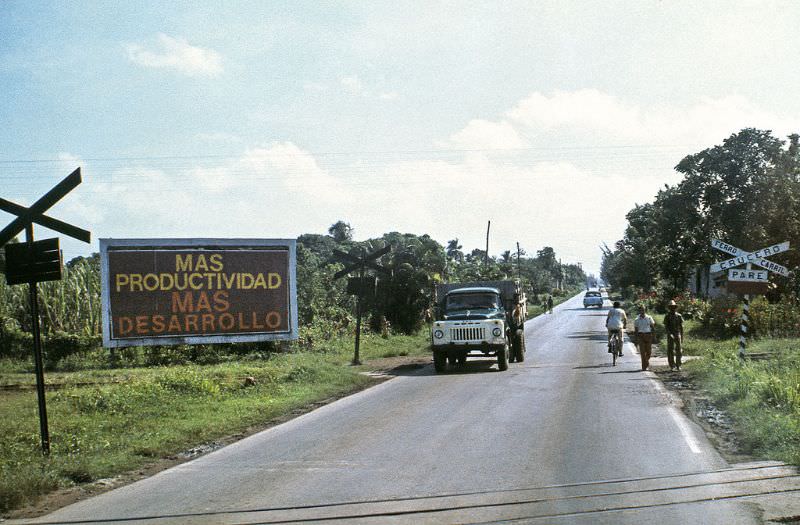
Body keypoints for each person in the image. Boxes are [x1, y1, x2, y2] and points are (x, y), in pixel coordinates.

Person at [664, 300, 684, 371]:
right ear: (669, 308)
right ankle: (672, 365)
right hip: (670, 334)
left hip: (677, 334)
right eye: (671, 307)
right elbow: (666, 327)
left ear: (675, 307)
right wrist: (669, 334)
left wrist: (682, 336)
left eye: (673, 307)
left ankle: (678, 365)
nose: (672, 308)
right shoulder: (667, 316)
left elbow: (681, 327)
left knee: (679, 350)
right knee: (670, 350)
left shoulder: (679, 316)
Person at [633, 305, 655, 371]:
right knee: (642, 352)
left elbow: (653, 327)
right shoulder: (636, 320)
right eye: (641, 310)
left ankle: (646, 362)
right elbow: (636, 330)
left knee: (649, 352)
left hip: (648, 335)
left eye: (643, 310)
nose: (642, 311)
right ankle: (644, 367)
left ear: (645, 310)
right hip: (641, 336)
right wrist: (636, 339)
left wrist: (654, 336)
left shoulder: (649, 318)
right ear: (639, 311)